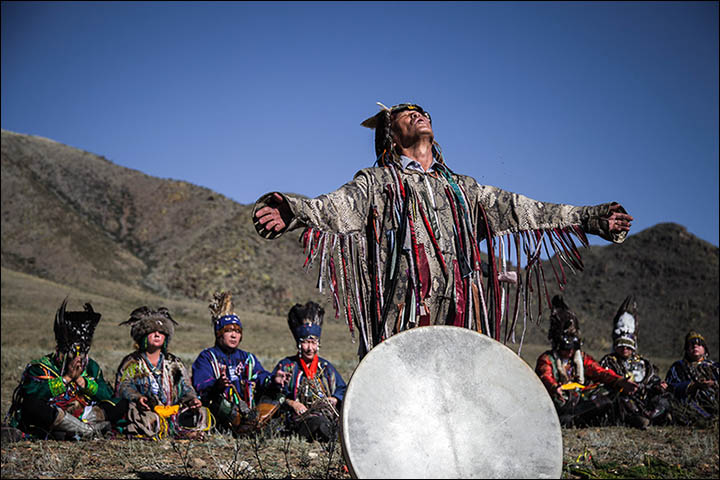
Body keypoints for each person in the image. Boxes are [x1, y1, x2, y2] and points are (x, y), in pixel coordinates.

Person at [253, 102, 634, 358]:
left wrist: (592, 218)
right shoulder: (378, 182)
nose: (418, 115)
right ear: (391, 134)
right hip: (399, 318)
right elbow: (336, 206)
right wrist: (294, 210)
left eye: (422, 111)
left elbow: (527, 209)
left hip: (457, 314)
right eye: (406, 114)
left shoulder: (464, 190)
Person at [4, 298, 128, 440]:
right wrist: (67, 378)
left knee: (121, 403)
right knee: (31, 404)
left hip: (86, 415)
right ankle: (86, 431)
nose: (77, 357)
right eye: (70, 353)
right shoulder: (40, 367)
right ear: (59, 350)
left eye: (82, 353)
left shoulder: (91, 366)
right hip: (54, 416)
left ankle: (82, 429)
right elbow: (31, 392)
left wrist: (82, 382)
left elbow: (106, 395)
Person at [191, 291, 288, 435]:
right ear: (219, 334)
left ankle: (254, 425)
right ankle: (243, 428)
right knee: (220, 402)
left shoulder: (247, 358)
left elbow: (260, 377)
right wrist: (218, 385)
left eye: (237, 331)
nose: (234, 335)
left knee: (277, 396)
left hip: (248, 411)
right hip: (221, 412)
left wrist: (273, 380)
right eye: (228, 330)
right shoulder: (208, 357)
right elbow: (201, 386)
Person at [535, 295, 638, 428]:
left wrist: (619, 380)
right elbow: (545, 376)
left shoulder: (581, 358)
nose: (570, 352)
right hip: (559, 399)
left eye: (574, 348)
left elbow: (599, 372)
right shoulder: (547, 359)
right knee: (560, 403)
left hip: (580, 399)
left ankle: (577, 418)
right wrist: (555, 387)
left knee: (609, 390)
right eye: (567, 348)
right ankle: (568, 418)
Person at [115, 306, 212, 440]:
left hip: (173, 411)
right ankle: (173, 431)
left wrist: (192, 400)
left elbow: (185, 387)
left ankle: (183, 431)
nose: (157, 335)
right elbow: (122, 386)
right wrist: (137, 397)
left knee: (201, 412)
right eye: (152, 331)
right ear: (142, 335)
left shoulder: (174, 362)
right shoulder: (132, 362)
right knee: (144, 418)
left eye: (161, 332)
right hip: (148, 411)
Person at [271, 301, 347, 442]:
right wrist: (293, 403)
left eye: (313, 343)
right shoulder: (287, 365)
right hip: (297, 420)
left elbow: (342, 388)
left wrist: (335, 399)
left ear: (318, 344)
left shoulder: (326, 367)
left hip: (326, 415)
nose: (309, 348)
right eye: (306, 342)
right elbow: (274, 393)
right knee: (317, 423)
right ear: (299, 344)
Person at [599, 295, 674, 428]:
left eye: (628, 347)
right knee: (620, 400)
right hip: (623, 398)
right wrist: (621, 384)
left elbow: (652, 380)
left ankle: (655, 416)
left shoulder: (644, 363)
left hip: (643, 397)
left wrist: (658, 386)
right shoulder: (608, 361)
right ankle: (639, 420)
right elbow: (603, 379)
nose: (625, 349)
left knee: (663, 398)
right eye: (621, 346)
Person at [665, 330, 719, 424]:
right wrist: (693, 386)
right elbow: (670, 387)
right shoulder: (678, 367)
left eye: (699, 344)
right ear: (686, 348)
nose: (695, 346)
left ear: (705, 349)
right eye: (691, 344)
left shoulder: (715, 367)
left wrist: (714, 384)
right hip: (689, 404)